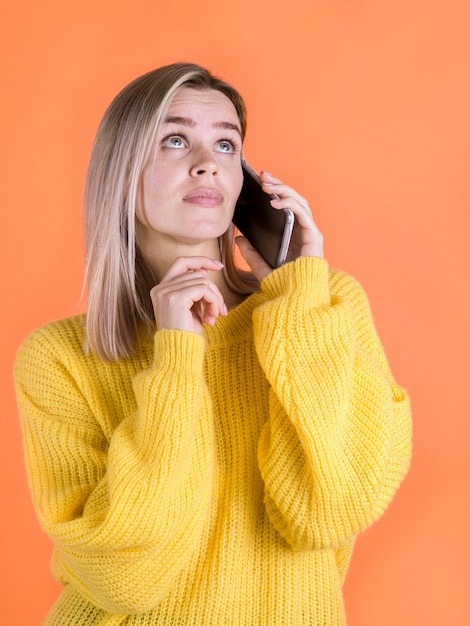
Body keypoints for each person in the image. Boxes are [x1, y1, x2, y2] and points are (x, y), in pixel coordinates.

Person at [14, 62, 412, 626]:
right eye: (175, 139)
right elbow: (128, 577)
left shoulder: (322, 308)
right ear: (121, 174)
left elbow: (330, 508)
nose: (208, 162)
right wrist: (177, 353)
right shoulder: (60, 359)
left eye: (226, 144)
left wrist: (298, 295)